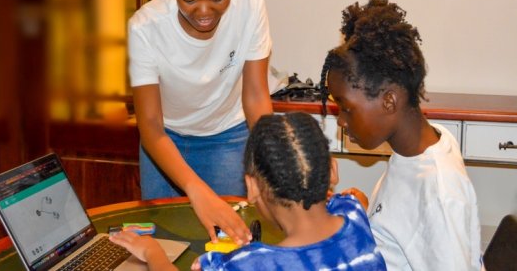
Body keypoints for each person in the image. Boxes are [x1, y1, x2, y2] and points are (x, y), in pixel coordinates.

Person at [128, 0, 273, 245]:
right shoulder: (145, 27)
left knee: (228, 240)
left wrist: (272, 158)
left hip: (228, 137)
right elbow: (150, 126)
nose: (205, 12)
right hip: (165, 143)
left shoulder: (252, 4)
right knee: (167, 243)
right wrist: (196, 189)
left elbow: (255, 96)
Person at [319, 0, 483, 270]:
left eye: (346, 108)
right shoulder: (424, 143)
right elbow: (406, 230)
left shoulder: (439, 194)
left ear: (389, 102)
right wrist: (363, 212)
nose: (342, 123)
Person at [110, 112, 386, 270]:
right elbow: (356, 198)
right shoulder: (355, 217)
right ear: (333, 170)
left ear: (251, 187)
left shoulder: (247, 265)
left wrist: (152, 252)